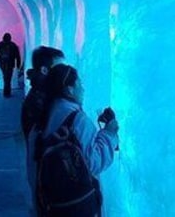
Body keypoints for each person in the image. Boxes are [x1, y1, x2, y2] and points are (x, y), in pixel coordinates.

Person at [28, 64, 118, 216]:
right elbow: (93, 164)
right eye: (79, 84)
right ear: (69, 89)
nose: (83, 88)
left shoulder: (40, 121)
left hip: (51, 204)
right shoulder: (77, 119)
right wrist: (109, 133)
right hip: (77, 205)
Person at [21, 46, 66, 139]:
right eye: (59, 68)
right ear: (44, 70)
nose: (63, 72)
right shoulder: (39, 101)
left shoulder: (42, 92)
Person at [0, 32, 21, 97]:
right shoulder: (13, 45)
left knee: (6, 77)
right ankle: (7, 92)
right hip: (8, 64)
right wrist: (18, 64)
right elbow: (17, 56)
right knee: (7, 77)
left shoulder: (0, 45)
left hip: (3, 64)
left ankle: (6, 92)